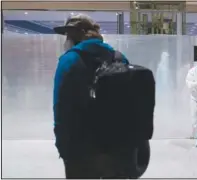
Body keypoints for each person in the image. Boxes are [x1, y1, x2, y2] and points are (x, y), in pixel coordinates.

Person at [52, 14, 144, 179]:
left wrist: (63, 147)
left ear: (74, 36)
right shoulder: (118, 58)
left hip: (81, 150)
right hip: (118, 148)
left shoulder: (69, 60)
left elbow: (61, 107)